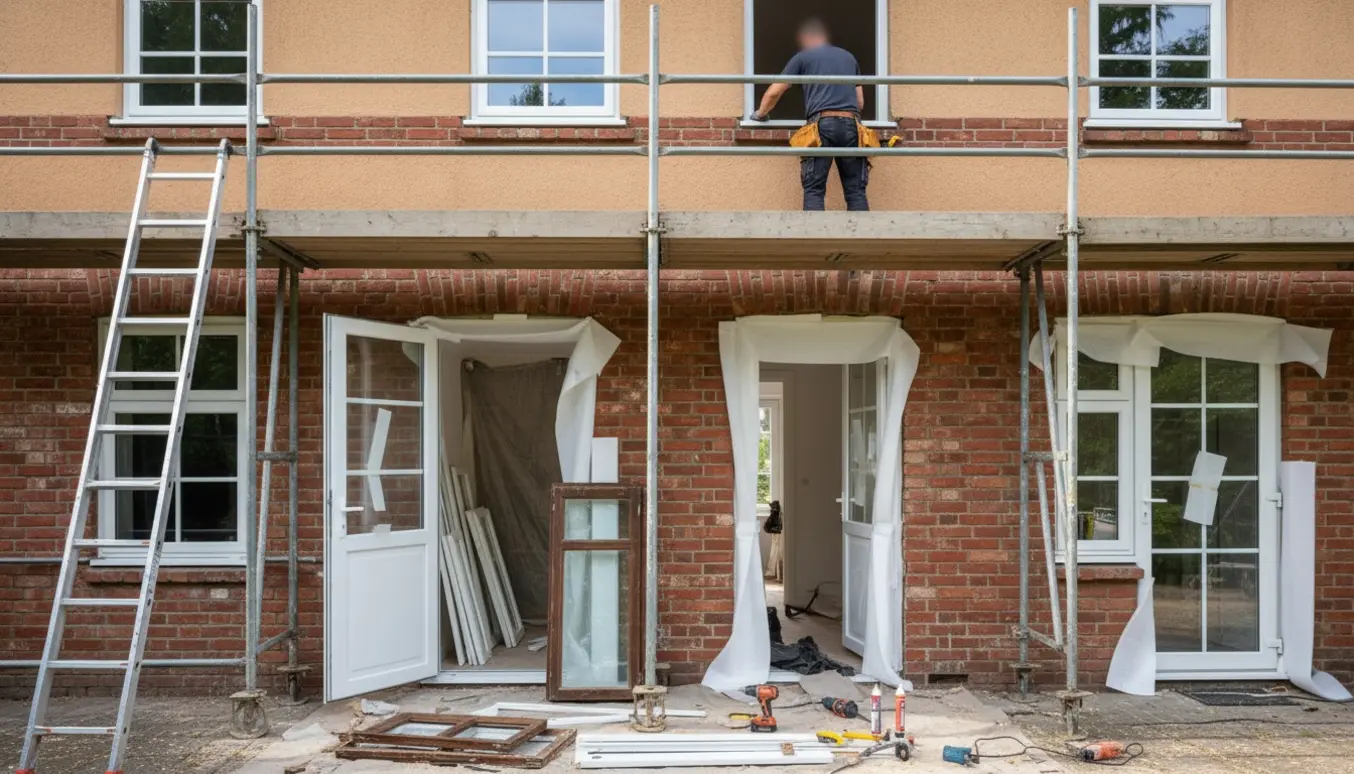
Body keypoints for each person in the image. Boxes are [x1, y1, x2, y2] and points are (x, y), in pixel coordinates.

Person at [750, 18, 869, 211]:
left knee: (814, 189)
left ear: (807, 38)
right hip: (851, 124)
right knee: (855, 190)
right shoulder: (849, 57)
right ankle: (863, 240)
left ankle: (816, 241)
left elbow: (774, 92)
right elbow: (860, 103)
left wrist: (760, 115)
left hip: (821, 125)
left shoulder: (803, 57)